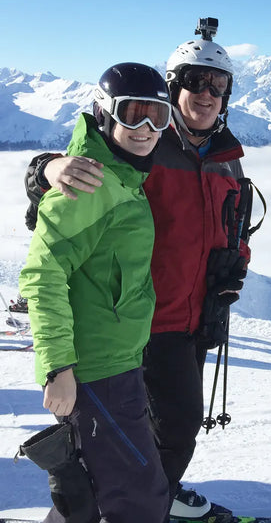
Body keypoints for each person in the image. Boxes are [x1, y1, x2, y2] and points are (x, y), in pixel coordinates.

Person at [25, 32, 252, 522]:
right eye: (195, 81)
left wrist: (236, 261)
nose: (207, 93)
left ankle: (144, 500)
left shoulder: (225, 156)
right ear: (174, 87)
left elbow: (230, 223)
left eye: (218, 84)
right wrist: (46, 169)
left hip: (195, 314)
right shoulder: (144, 147)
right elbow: (77, 185)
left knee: (163, 430)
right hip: (141, 323)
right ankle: (145, 505)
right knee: (163, 428)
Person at [18, 63, 172, 523]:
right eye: (133, 115)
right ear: (104, 114)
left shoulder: (122, 174)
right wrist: (58, 367)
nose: (146, 129)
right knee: (138, 499)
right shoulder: (90, 183)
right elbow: (42, 275)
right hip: (94, 372)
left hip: (116, 364)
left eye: (158, 117)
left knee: (91, 492)